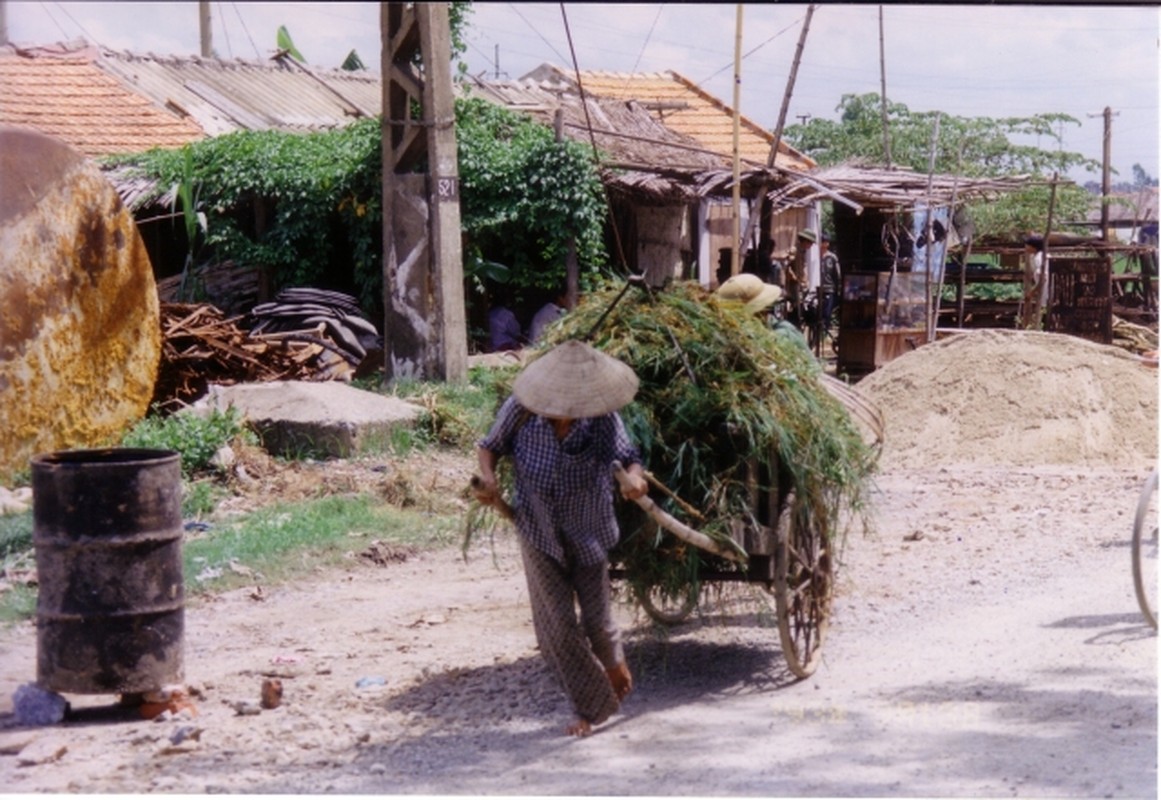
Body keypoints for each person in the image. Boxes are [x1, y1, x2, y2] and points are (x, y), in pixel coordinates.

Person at [473, 340, 649, 737]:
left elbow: (629, 456)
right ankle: (589, 707)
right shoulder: (521, 410)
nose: (561, 411)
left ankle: (615, 662)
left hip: (588, 528)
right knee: (559, 624)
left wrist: (635, 479)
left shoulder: (600, 416)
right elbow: (489, 447)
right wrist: (488, 476)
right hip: (537, 529)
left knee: (598, 623)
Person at [819, 233, 842, 326]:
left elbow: (837, 275)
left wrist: (837, 289)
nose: (823, 244)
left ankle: (825, 332)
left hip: (829, 288)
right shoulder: (814, 256)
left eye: (824, 242)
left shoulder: (832, 257)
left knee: (827, 313)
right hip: (817, 288)